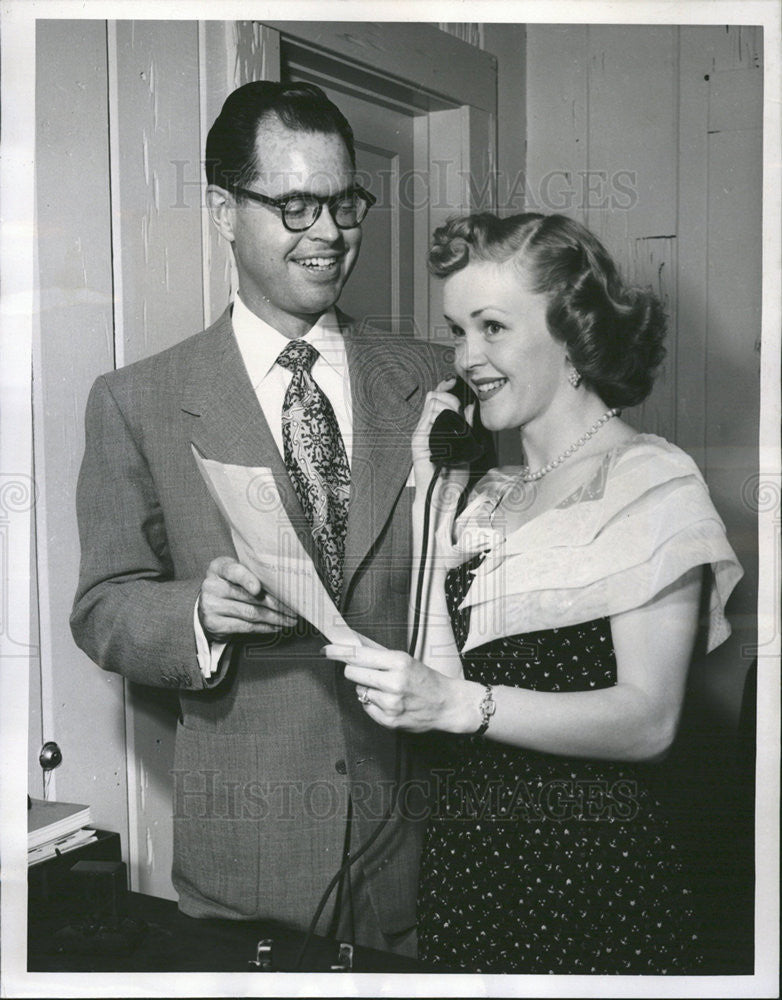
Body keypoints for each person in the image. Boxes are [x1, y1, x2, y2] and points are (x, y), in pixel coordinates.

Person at [70, 80, 455, 957]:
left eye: (344, 202)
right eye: (294, 205)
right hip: (248, 873)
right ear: (222, 210)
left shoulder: (437, 377)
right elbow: (102, 608)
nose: (329, 233)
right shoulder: (138, 401)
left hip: (429, 853)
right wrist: (197, 615)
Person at [325, 212, 744, 973]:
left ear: (574, 334)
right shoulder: (484, 495)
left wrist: (460, 706)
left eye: (493, 327)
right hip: (470, 868)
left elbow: (650, 721)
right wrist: (430, 486)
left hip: (592, 874)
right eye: (458, 330)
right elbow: (441, 692)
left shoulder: (651, 479)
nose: (466, 357)